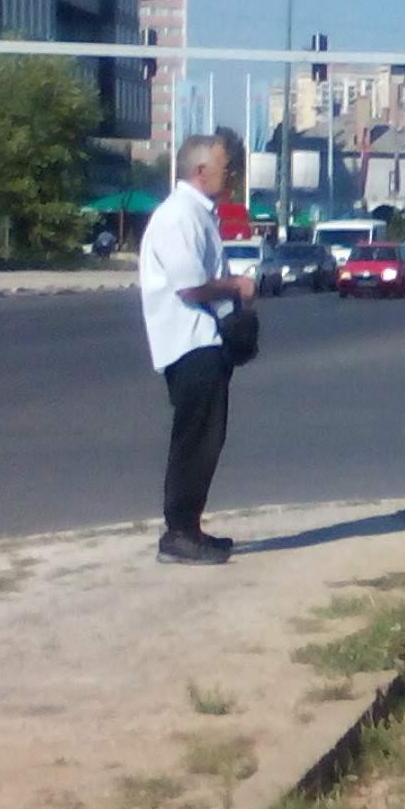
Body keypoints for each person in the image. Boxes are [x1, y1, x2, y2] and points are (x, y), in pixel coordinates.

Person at [140, 135, 256, 566]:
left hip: (206, 341)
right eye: (225, 168)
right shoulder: (178, 217)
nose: (230, 176)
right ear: (200, 170)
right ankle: (179, 532)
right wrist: (236, 285)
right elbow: (190, 286)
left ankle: (190, 527)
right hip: (188, 344)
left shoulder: (200, 215)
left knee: (208, 438)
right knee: (195, 439)